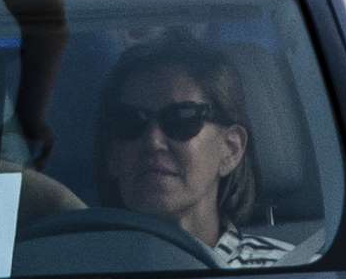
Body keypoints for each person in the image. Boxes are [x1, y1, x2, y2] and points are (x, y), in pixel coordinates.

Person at [92, 39, 306, 266]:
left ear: (231, 149)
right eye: (130, 121)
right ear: (112, 156)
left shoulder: (294, 276)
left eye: (182, 118)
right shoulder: (73, 278)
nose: (153, 141)